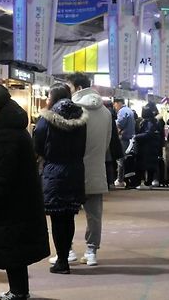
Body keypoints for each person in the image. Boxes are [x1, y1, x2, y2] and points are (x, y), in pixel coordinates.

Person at [0, 84, 49, 300]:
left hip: (11, 203)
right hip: (19, 202)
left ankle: (18, 292)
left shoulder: (5, 136)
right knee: (15, 249)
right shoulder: (9, 130)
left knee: (13, 249)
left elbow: (3, 175)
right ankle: (18, 290)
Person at [33, 83, 88, 274]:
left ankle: (62, 260)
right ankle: (65, 256)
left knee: (57, 218)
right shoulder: (81, 118)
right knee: (68, 215)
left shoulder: (47, 119)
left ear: (54, 97)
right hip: (75, 170)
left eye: (48, 96)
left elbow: (38, 142)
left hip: (54, 170)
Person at [72, 82, 112, 267]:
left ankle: (67, 250)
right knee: (94, 215)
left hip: (73, 169)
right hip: (96, 169)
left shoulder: (73, 109)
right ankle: (91, 251)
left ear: (76, 87)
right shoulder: (105, 112)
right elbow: (107, 144)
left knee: (66, 213)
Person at [134, 106, 161, 189]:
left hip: (146, 147)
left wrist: (136, 136)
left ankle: (144, 183)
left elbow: (148, 134)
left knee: (142, 165)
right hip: (152, 147)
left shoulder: (147, 122)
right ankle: (148, 182)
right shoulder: (154, 122)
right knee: (150, 166)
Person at [113, 98, 136, 188]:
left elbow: (119, 125)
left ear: (119, 103)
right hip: (130, 139)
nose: (114, 107)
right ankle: (124, 179)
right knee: (127, 159)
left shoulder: (122, 111)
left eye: (115, 104)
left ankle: (120, 180)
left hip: (124, 139)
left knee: (121, 160)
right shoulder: (129, 110)